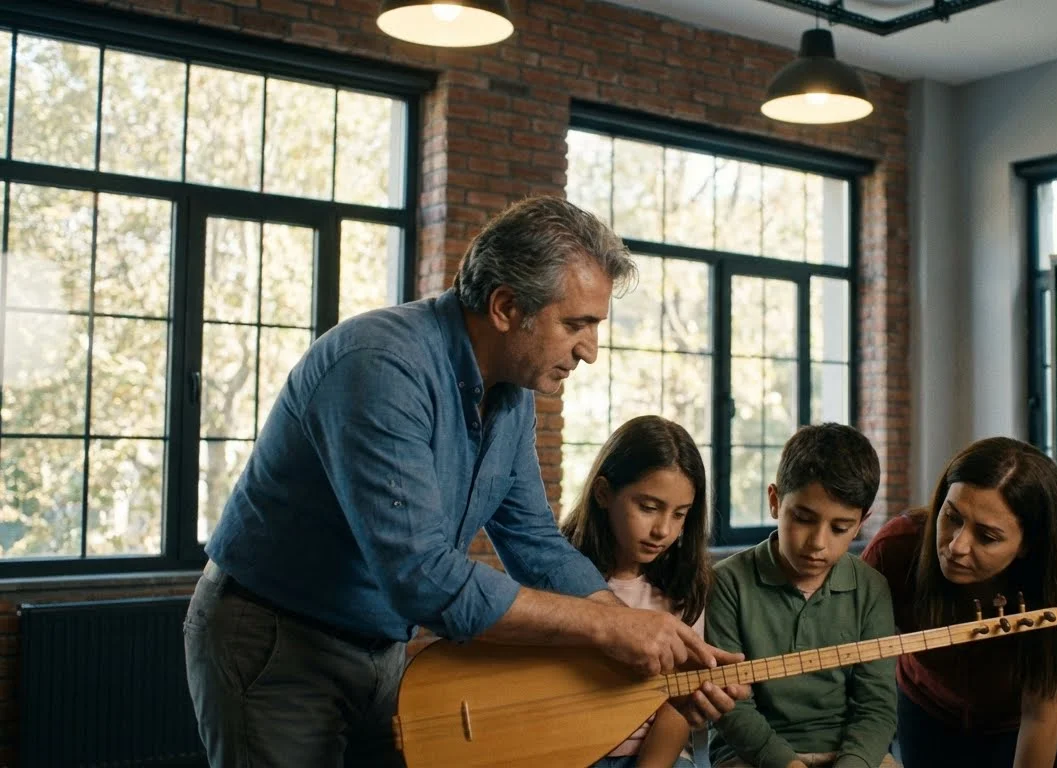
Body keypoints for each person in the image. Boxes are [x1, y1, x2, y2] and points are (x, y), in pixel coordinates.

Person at [183, 196, 747, 768]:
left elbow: (534, 540)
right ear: (505, 306)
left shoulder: (513, 397)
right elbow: (422, 576)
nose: (590, 351)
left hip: (385, 649)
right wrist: (608, 625)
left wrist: (630, 629)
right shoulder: (380, 365)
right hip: (278, 640)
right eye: (575, 324)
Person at [861, 437, 1057, 768]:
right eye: (952, 517)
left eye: (987, 537)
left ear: (1027, 545)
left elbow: (1040, 719)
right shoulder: (897, 548)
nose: (956, 546)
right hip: (927, 709)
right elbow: (850, 664)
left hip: (1028, 723)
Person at [707, 423, 897, 768]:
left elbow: (877, 707)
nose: (818, 543)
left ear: (860, 523)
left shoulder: (872, 588)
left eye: (840, 528)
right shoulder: (726, 583)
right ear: (775, 501)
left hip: (848, 753)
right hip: (752, 755)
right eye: (804, 518)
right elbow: (732, 706)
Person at [560, 415, 713, 768]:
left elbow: (675, 710)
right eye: (648, 508)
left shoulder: (684, 587)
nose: (663, 530)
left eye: (680, 515)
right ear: (603, 493)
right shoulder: (558, 575)